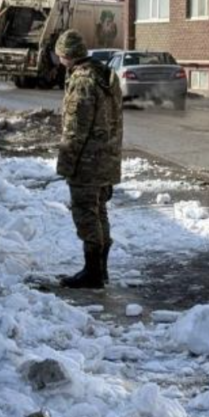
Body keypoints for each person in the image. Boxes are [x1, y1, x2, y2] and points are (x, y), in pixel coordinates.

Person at [55, 29, 124, 289]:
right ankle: (100, 270)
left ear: (66, 55)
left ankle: (93, 272)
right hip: (106, 160)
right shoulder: (105, 75)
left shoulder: (82, 81)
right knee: (99, 212)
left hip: (87, 163)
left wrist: (66, 164)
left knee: (86, 214)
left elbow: (75, 129)